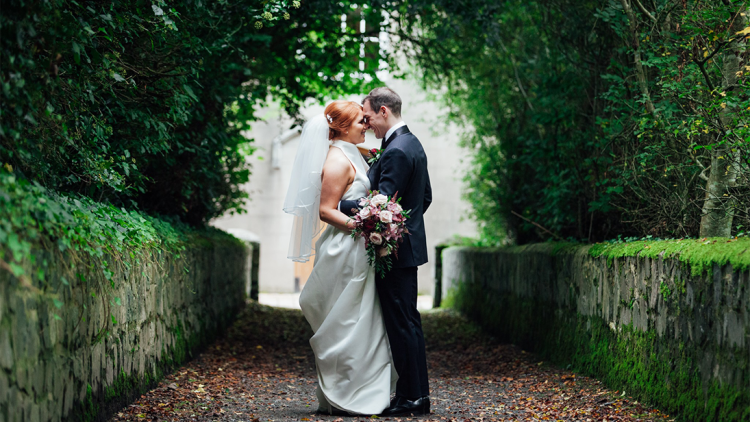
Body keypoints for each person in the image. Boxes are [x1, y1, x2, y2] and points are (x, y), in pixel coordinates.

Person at [283, 100, 397, 416]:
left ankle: (364, 387)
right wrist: (366, 225)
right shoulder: (336, 160)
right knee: (348, 318)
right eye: (362, 122)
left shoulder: (354, 154)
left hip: (359, 247)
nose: (367, 126)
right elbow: (325, 210)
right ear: (344, 127)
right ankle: (346, 390)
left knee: (365, 318)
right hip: (345, 248)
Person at [339, 87, 432, 416]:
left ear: (382, 111)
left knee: (401, 324)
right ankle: (417, 395)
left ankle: (411, 397)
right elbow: (425, 198)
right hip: (408, 246)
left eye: (368, 117)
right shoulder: (412, 143)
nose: (367, 125)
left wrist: (340, 204)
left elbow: (381, 206)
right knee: (410, 322)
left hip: (393, 250)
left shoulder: (395, 150)